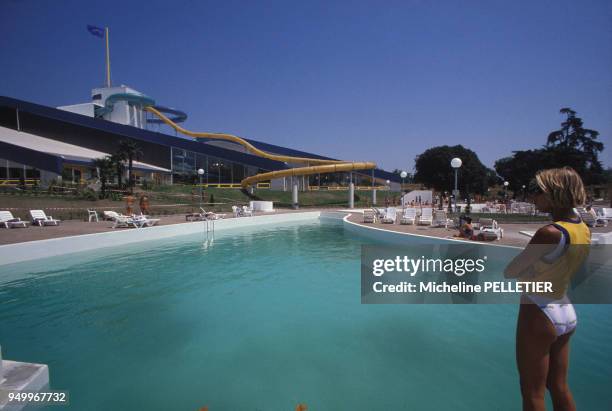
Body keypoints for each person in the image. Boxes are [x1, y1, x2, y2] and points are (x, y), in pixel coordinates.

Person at [504, 167, 590, 411]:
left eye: (538, 191)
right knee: (559, 386)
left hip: (540, 312)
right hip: (565, 308)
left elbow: (510, 271)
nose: (534, 197)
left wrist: (527, 271)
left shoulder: (549, 233)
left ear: (555, 193)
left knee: (532, 392)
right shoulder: (582, 228)